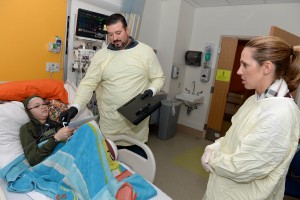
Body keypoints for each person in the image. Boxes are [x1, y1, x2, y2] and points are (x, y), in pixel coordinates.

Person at [201, 36, 300, 200]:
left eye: (245, 64)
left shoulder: (279, 113)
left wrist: (213, 160)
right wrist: (213, 147)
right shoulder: (255, 100)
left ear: (266, 67)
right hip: (222, 189)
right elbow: (232, 136)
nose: (239, 71)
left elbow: (242, 167)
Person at [60, 13, 165, 158]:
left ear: (127, 30)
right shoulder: (102, 56)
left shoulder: (145, 51)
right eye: (110, 34)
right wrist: (75, 107)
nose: (115, 38)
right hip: (110, 128)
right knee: (110, 171)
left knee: (135, 173)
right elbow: (88, 84)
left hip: (137, 129)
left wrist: (151, 91)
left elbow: (158, 77)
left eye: (118, 32)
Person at [20, 95, 75, 166]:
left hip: (69, 154)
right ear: (29, 111)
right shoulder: (27, 128)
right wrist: (56, 138)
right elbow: (32, 159)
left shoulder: (57, 123)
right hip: (51, 162)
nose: (43, 107)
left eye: (44, 104)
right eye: (37, 106)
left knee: (86, 128)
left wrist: (73, 132)